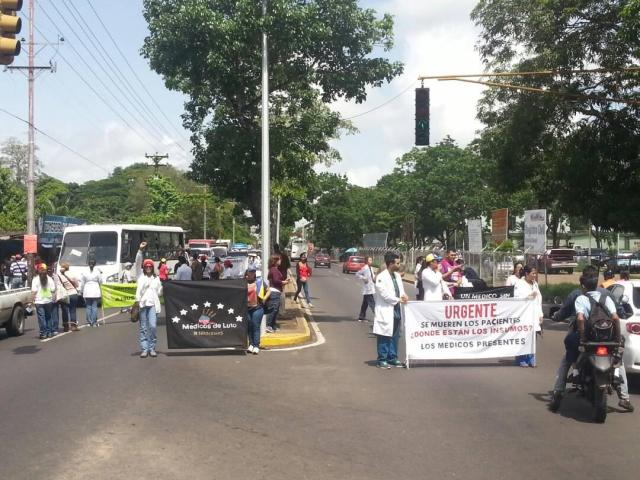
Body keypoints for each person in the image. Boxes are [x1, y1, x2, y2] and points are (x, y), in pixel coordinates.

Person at [550, 269, 633, 412]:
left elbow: (573, 316)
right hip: (608, 338)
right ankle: (624, 398)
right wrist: (618, 339)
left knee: (566, 359)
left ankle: (558, 392)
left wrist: (581, 337)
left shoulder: (578, 296)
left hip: (587, 338)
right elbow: (617, 316)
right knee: (618, 360)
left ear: (583, 283)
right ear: (596, 281)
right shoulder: (607, 295)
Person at [373, 252, 409, 369]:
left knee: (395, 335)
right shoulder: (381, 277)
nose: (399, 265)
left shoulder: (397, 276)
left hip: (397, 308)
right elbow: (385, 295)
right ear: (390, 263)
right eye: (397, 263)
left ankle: (392, 357)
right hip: (386, 309)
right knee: (384, 335)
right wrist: (398, 299)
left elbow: (401, 290)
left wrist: (404, 296)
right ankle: (382, 359)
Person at [514, 266, 543, 367]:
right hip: (524, 315)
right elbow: (516, 298)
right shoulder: (519, 284)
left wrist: (540, 314)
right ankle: (521, 358)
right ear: (526, 274)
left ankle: (531, 358)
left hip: (534, 314)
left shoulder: (535, 284)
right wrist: (528, 297)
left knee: (532, 336)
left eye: (535, 273)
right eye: (533, 273)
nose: (535, 276)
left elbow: (539, 300)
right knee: (523, 336)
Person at [136, 259, 162, 358]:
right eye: (146, 266)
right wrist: (140, 251)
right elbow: (137, 263)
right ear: (144, 267)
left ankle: (152, 348)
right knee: (143, 328)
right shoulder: (140, 277)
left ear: (152, 268)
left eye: (150, 266)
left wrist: (162, 289)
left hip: (153, 305)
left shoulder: (156, 279)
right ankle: (144, 349)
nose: (148, 268)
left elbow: (159, 292)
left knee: (152, 326)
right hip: (143, 305)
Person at [245, 267, 268, 354]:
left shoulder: (259, 282)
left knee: (255, 326)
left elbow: (268, 290)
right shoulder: (243, 283)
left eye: (253, 272)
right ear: (247, 273)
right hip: (247, 308)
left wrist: (264, 299)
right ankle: (250, 344)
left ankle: (256, 345)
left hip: (257, 308)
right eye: (249, 272)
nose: (251, 274)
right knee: (249, 327)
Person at [30, 263, 56, 339]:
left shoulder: (35, 279)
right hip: (48, 300)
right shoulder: (50, 279)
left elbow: (33, 291)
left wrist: (31, 301)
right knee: (48, 316)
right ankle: (49, 332)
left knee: (41, 318)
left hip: (39, 301)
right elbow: (53, 290)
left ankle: (43, 333)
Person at [265, 254, 291, 333]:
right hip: (274, 292)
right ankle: (268, 325)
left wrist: (284, 281)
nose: (280, 261)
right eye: (279, 259)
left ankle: (272, 326)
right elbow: (276, 280)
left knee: (275, 310)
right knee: (273, 309)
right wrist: (284, 282)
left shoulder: (274, 269)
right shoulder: (274, 269)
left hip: (276, 291)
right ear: (275, 261)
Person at [56, 262, 80, 331]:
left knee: (64, 311)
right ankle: (73, 326)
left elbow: (58, 286)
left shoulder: (59, 276)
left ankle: (65, 326)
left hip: (64, 294)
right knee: (72, 310)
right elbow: (77, 284)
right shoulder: (72, 274)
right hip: (73, 293)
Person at [79, 258, 102, 327]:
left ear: (89, 264)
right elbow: (100, 281)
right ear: (95, 264)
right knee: (94, 307)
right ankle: (94, 322)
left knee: (88, 307)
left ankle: (89, 322)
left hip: (87, 290)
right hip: (95, 290)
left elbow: (82, 283)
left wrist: (81, 291)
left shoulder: (85, 272)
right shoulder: (98, 271)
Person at [356, 256, 376, 321]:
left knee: (365, 304)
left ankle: (361, 317)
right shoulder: (365, 268)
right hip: (367, 289)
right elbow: (357, 274)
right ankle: (378, 316)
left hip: (370, 288)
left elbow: (373, 276)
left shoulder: (371, 268)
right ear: (367, 261)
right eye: (370, 260)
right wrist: (364, 278)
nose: (371, 261)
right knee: (372, 303)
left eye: (371, 260)